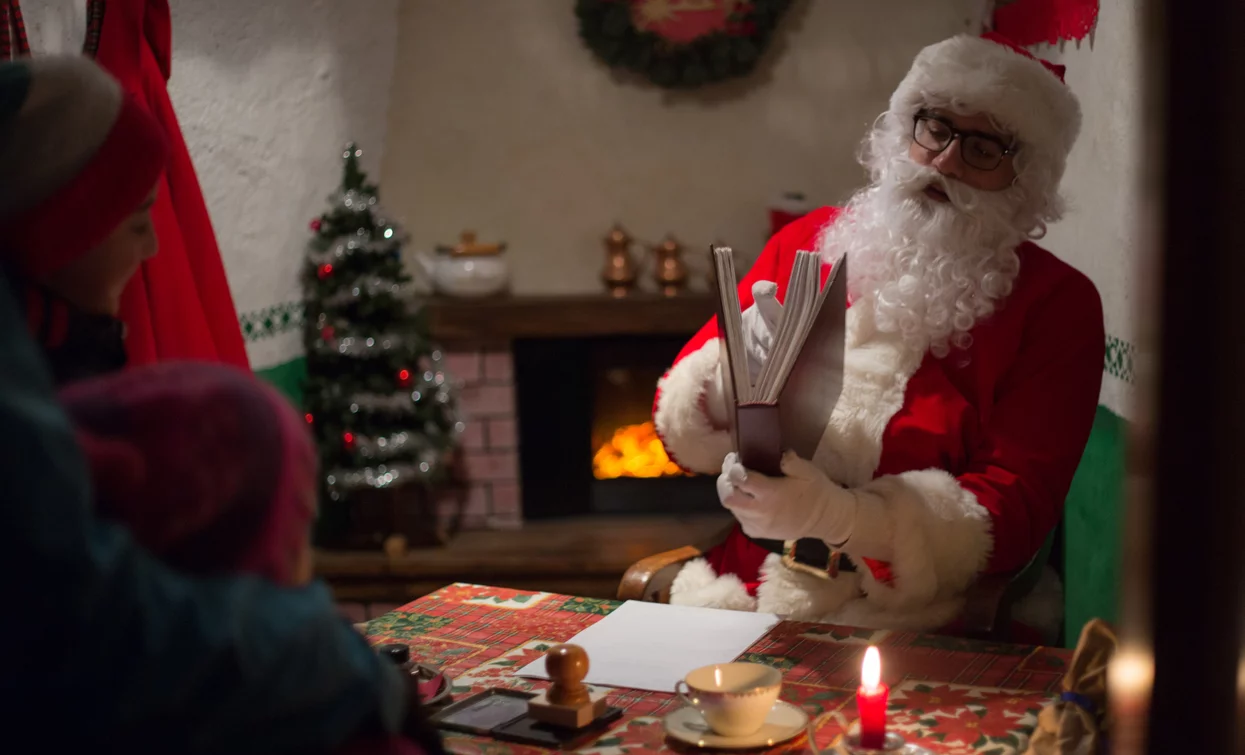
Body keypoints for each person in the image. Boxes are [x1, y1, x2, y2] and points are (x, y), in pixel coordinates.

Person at [652, 32, 1104, 633]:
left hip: (907, 620)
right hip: (741, 587)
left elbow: (1013, 514)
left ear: (1026, 179)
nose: (944, 161)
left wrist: (841, 518)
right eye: (935, 127)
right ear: (901, 130)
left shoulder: (1057, 305)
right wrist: (726, 387)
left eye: (983, 147)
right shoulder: (809, 239)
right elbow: (676, 423)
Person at [0, 54, 165, 385]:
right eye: (137, 224)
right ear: (57, 238)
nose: (152, 247)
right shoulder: (27, 405)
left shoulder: (70, 345)